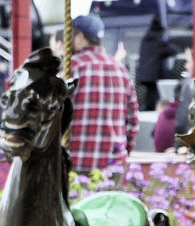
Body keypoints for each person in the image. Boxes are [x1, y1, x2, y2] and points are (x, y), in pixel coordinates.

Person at [66, 14, 139, 173]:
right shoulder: (120, 69)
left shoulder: (71, 68)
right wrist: (124, 152)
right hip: (114, 165)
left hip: (78, 164)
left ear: (79, 37)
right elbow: (133, 122)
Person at [136, 16, 181, 111]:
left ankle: (147, 108)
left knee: (149, 91)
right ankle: (151, 109)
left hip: (143, 73)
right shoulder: (158, 41)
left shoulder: (145, 40)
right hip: (153, 73)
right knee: (154, 92)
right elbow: (171, 51)